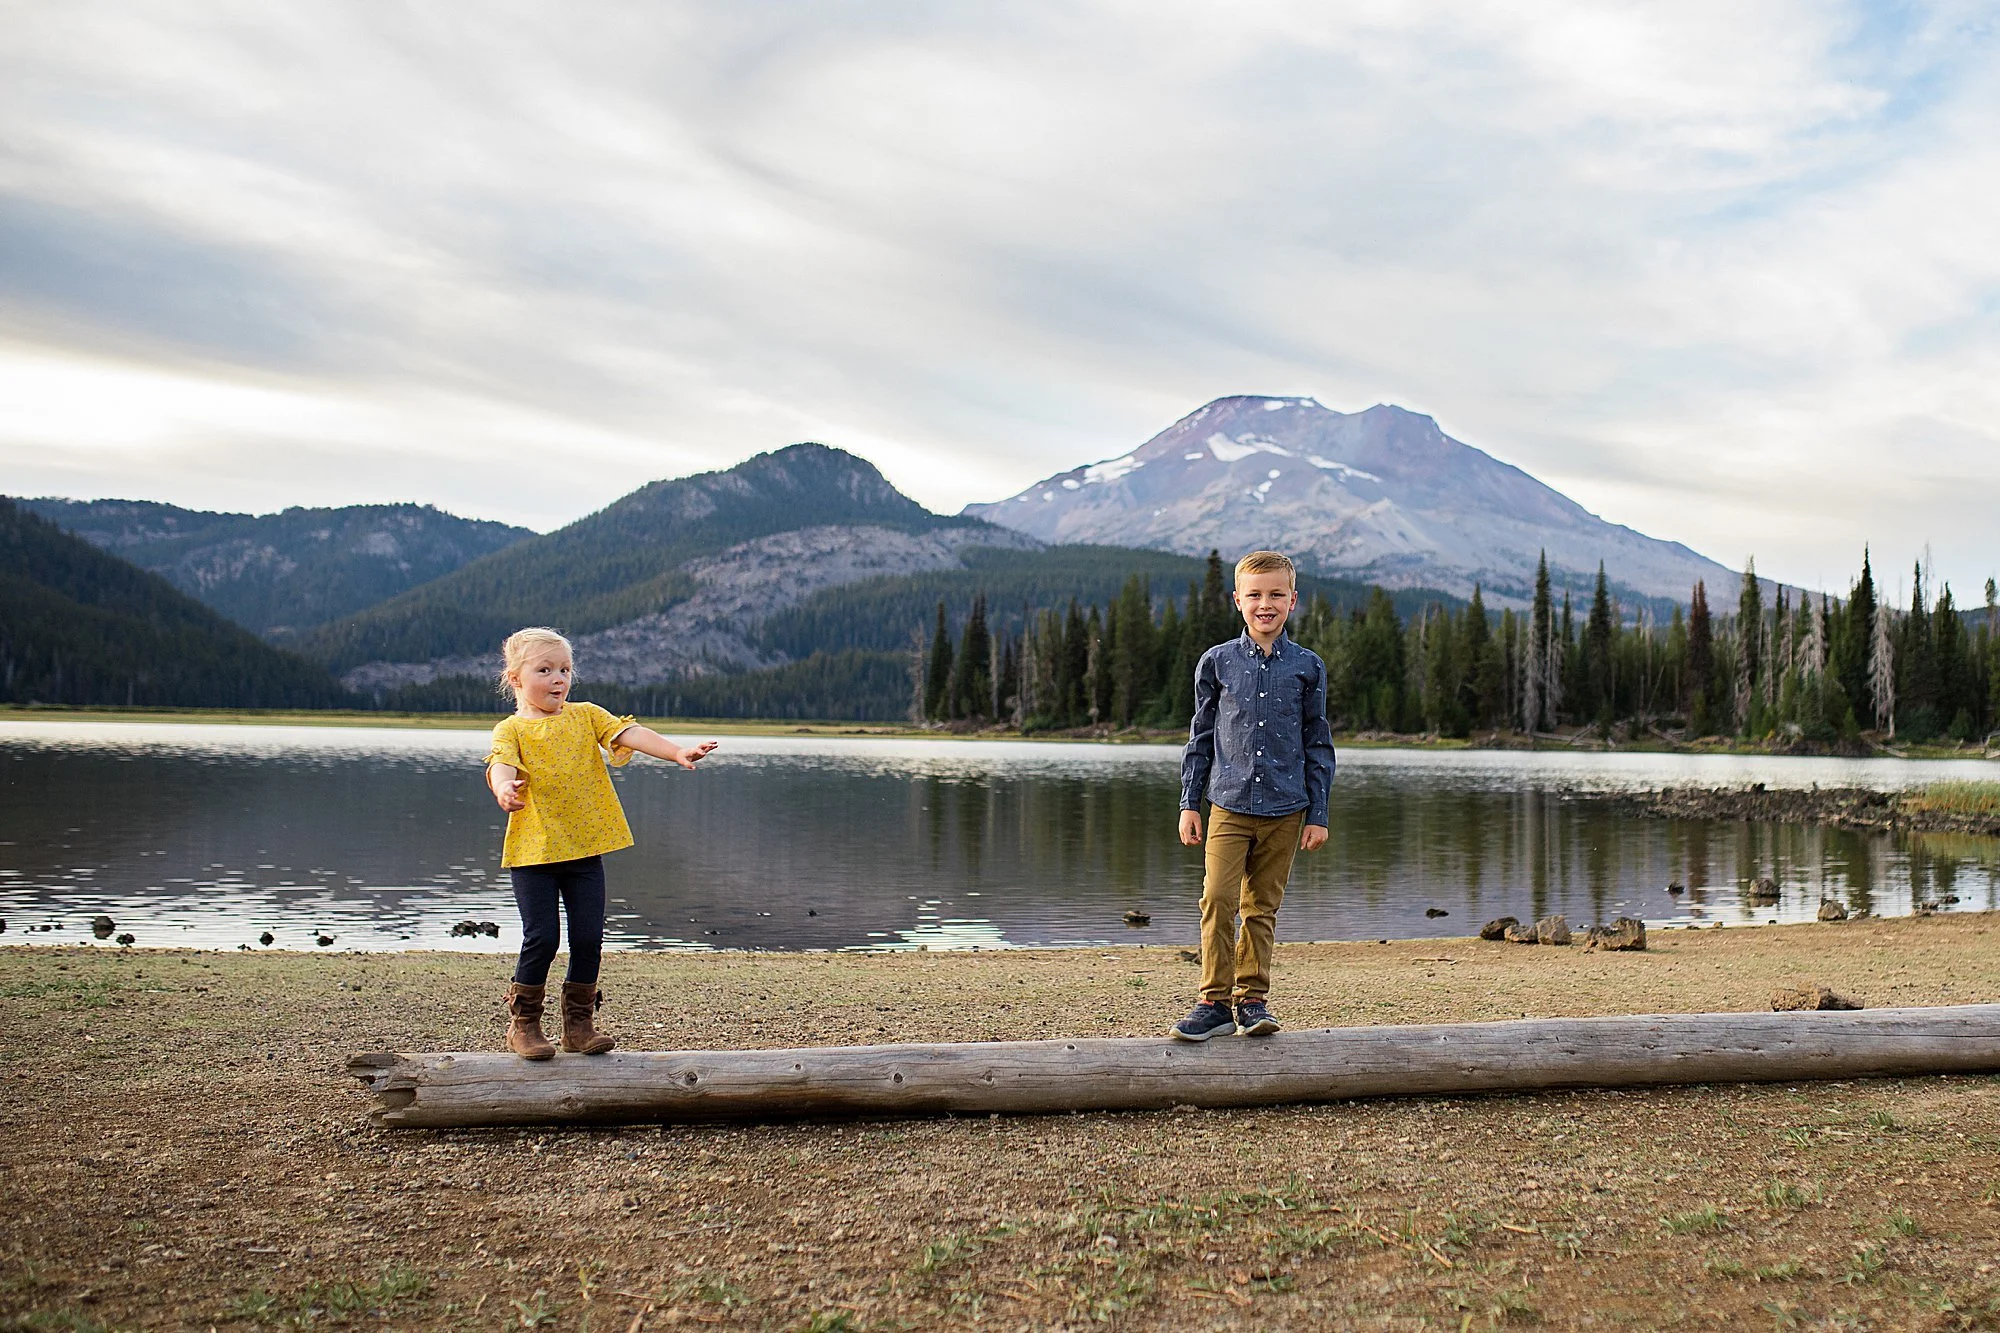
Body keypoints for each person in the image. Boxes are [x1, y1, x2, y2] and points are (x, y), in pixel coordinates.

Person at [485, 627, 717, 1060]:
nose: (559, 679)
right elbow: (500, 764)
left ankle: (579, 1027)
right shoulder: (512, 728)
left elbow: (629, 734)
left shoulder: (585, 715)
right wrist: (503, 790)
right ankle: (525, 1026)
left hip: (585, 851)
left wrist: (676, 752)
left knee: (589, 937)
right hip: (534, 853)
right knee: (542, 938)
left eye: (565, 670)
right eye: (545, 670)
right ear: (516, 678)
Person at [1172, 550, 1336, 1040]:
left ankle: (1253, 1001)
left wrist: (1318, 813)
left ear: (1292, 601)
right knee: (1218, 898)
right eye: (1256, 595)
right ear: (1238, 600)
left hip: (1288, 809)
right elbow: (1200, 737)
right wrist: (1188, 802)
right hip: (1228, 805)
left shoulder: (1307, 667)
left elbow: (1318, 743)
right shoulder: (1217, 662)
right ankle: (1214, 1002)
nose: (1266, 604)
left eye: (1276, 595)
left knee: (1261, 907)